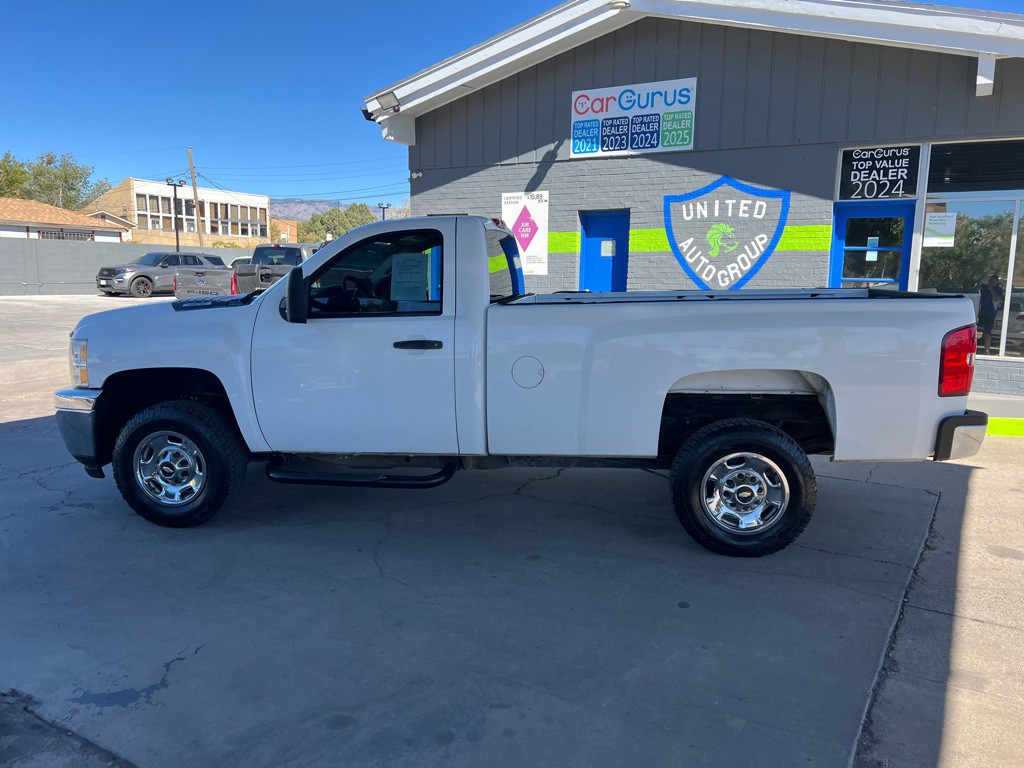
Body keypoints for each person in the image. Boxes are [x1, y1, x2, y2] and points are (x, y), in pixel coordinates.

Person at [978, 274, 1005, 355]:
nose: (991, 282)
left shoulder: (998, 289)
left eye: (993, 281)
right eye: (990, 280)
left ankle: (986, 349)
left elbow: (997, 299)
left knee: (987, 331)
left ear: (997, 282)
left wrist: (991, 290)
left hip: (990, 313)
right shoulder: (983, 288)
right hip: (980, 312)